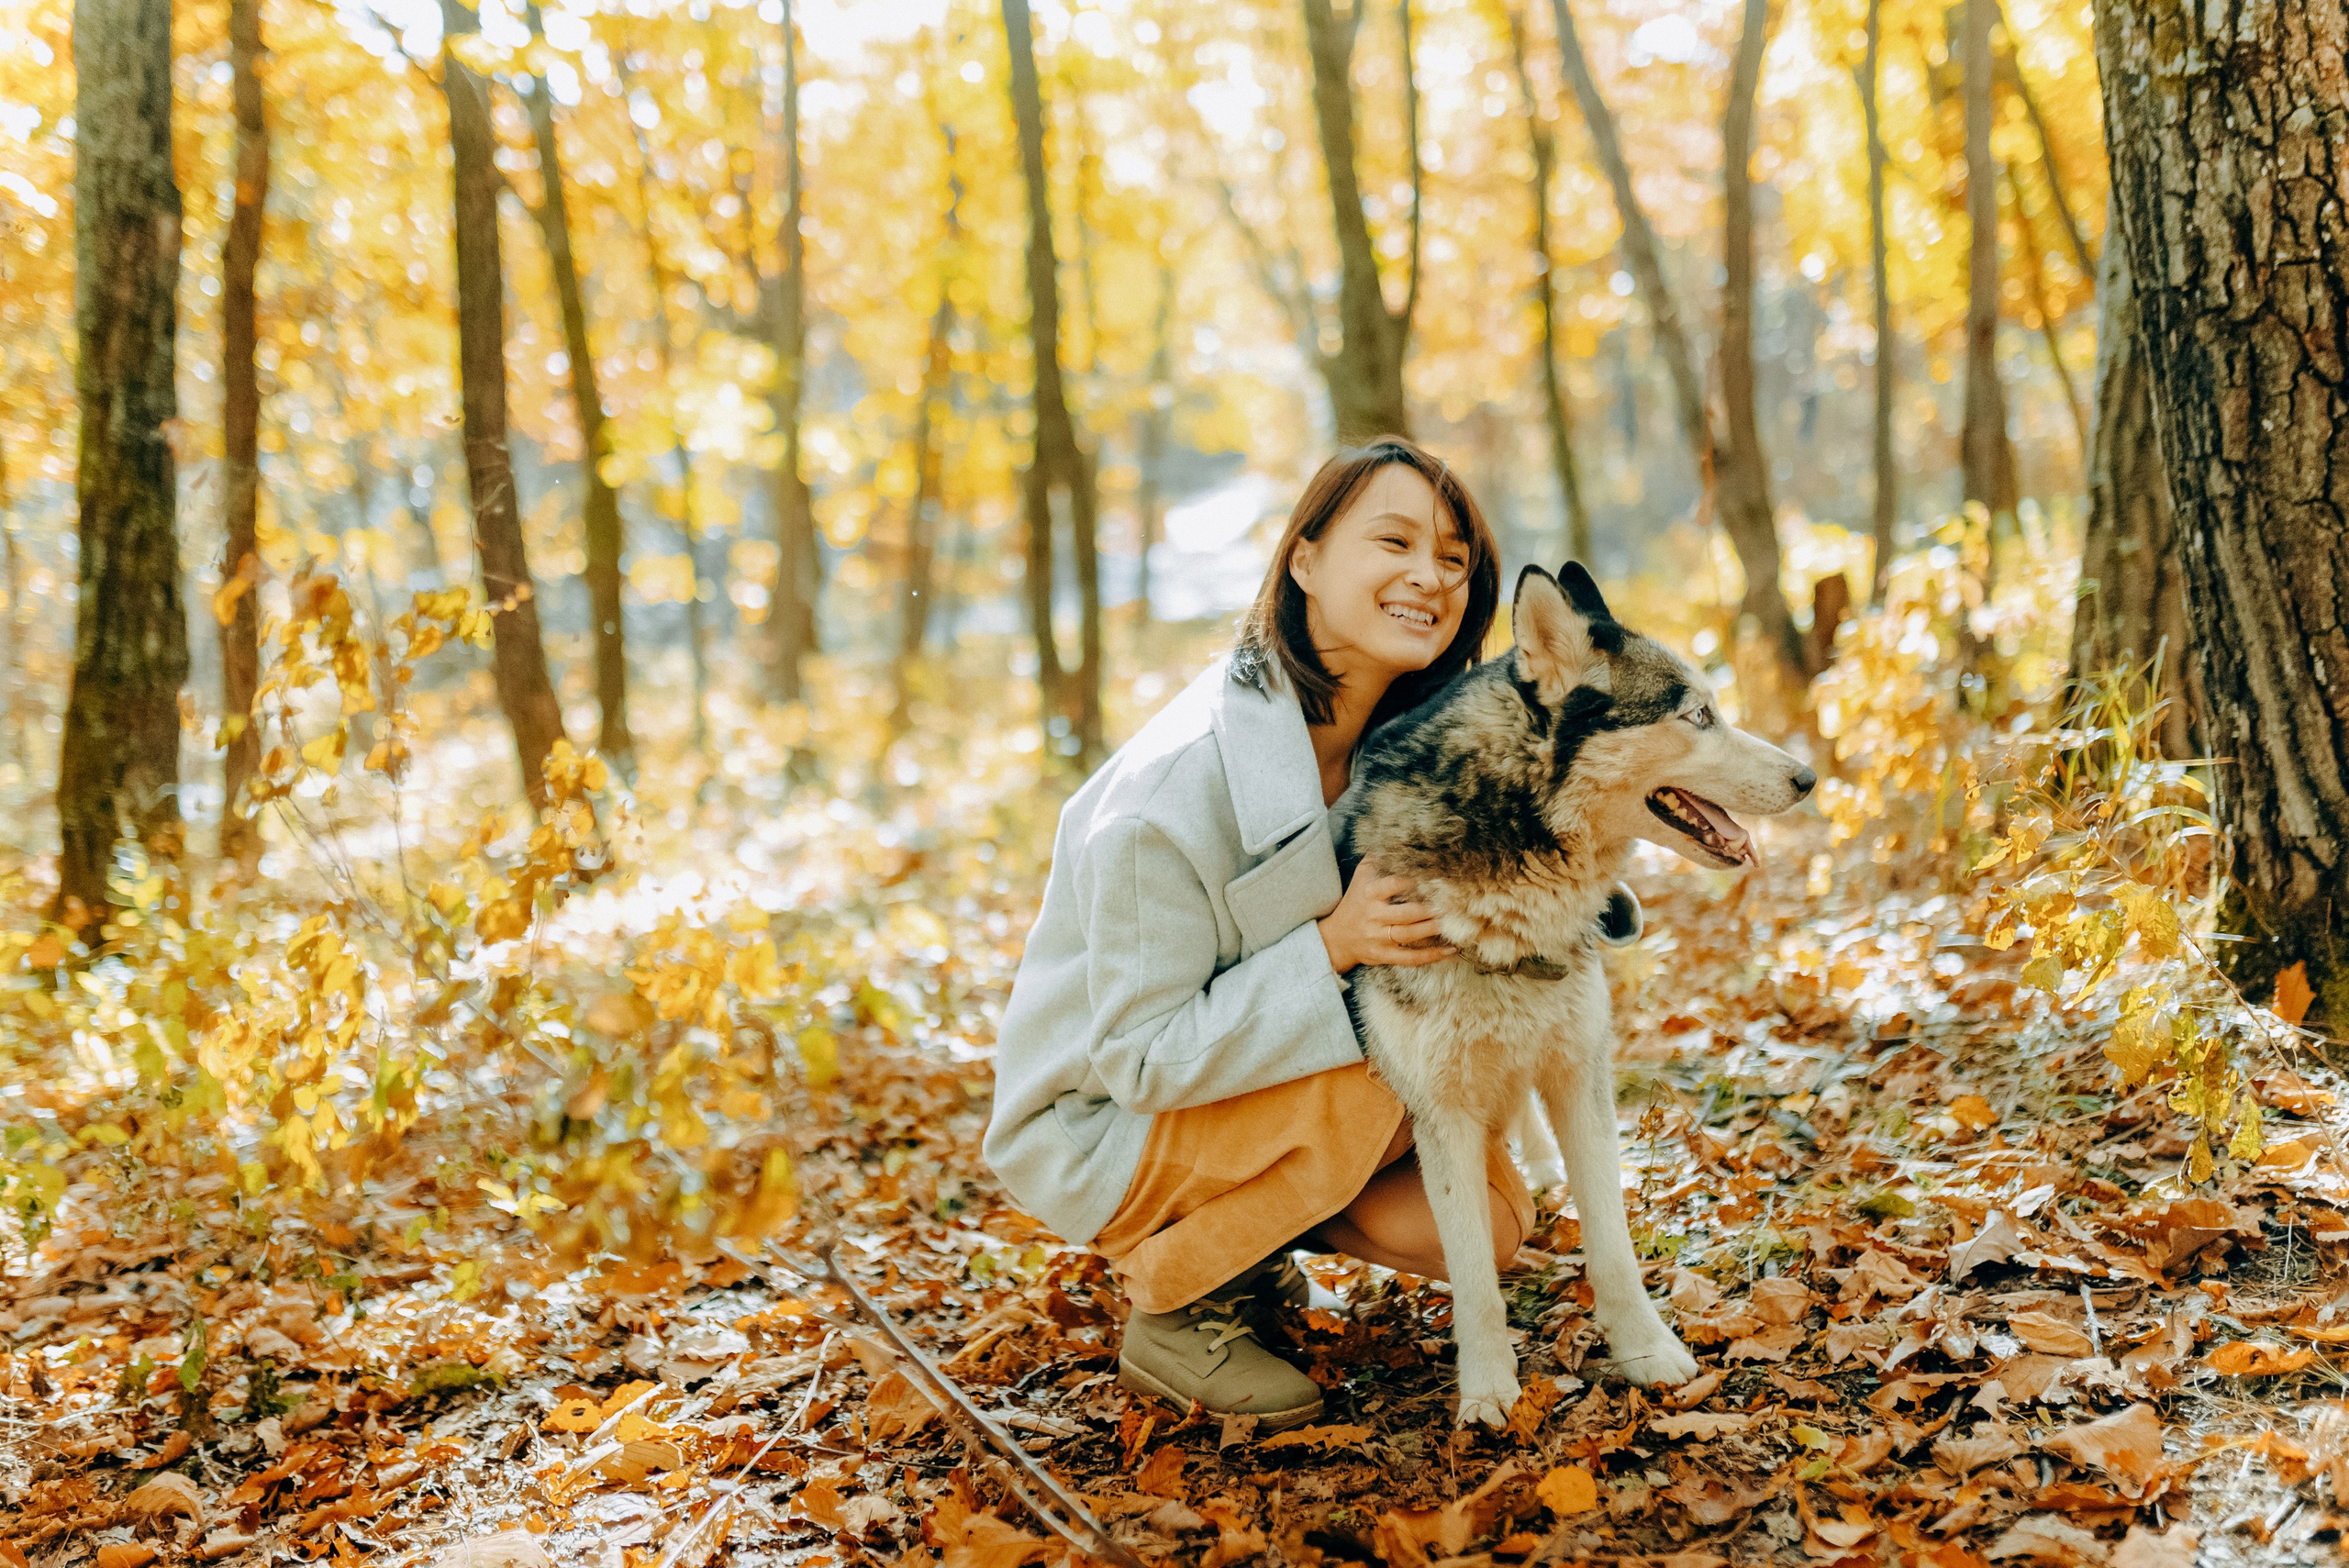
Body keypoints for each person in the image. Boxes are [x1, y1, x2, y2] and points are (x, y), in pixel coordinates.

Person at [984, 435, 1535, 1430]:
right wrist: (1331, 945)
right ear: (1305, 559)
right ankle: (1180, 1294)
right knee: (1396, 1052)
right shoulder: (1170, 793)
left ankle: (1249, 1233)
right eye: (1395, 540)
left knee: (1487, 1226)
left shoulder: (1397, 744)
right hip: (1103, 1121)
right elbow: (1137, 1055)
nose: (1429, 575)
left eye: (1453, 557)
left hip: (1233, 1086)